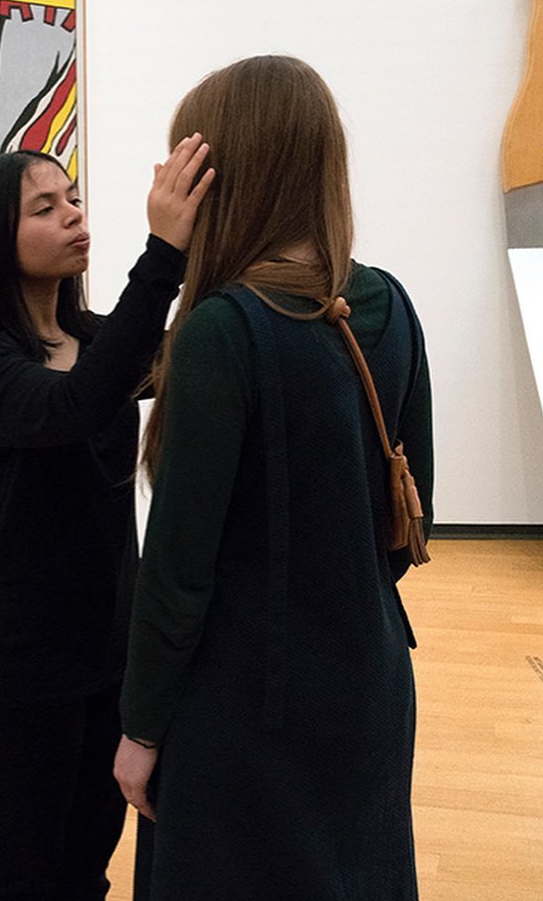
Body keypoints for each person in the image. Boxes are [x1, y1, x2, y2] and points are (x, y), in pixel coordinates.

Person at [114, 55, 433, 901]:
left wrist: (140, 729)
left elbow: (179, 566)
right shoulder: (390, 302)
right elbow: (408, 517)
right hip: (370, 678)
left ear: (218, 176)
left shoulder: (224, 328)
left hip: (246, 703)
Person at [0, 140, 213, 901]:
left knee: (86, 864)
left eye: (73, 199)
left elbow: (195, 356)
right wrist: (163, 254)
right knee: (20, 871)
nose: (72, 215)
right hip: (14, 661)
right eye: (44, 207)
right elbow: (76, 406)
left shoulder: (92, 341)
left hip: (105, 654)